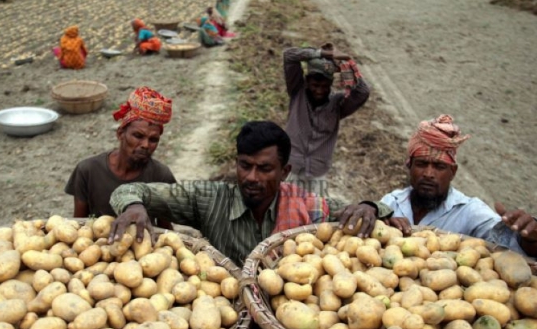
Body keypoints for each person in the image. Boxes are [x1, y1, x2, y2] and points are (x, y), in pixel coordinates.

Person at [107, 121, 391, 265]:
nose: (251, 177)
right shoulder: (209, 198)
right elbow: (129, 189)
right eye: (245, 166)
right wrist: (134, 205)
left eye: (264, 169)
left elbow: (366, 209)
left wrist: (371, 207)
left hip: (285, 316)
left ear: (285, 171)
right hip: (227, 314)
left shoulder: (309, 205)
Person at [381, 114, 537, 260]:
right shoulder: (392, 202)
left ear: (453, 172)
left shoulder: (469, 211)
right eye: (421, 164)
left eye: (439, 167)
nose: (428, 173)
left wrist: (530, 239)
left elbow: (506, 243)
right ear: (409, 166)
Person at [65, 87, 176, 222]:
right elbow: (78, 224)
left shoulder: (161, 176)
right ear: (120, 134)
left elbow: (167, 230)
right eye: (138, 136)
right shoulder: (88, 170)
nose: (146, 145)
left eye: (153, 140)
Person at [284, 44, 371, 195]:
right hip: (290, 169)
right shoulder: (297, 92)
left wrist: (348, 64)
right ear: (306, 81)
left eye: (325, 86)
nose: (319, 91)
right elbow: (289, 55)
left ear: (331, 84)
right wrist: (324, 53)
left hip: (317, 175)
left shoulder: (337, 104)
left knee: (314, 215)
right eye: (315, 85)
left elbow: (363, 92)